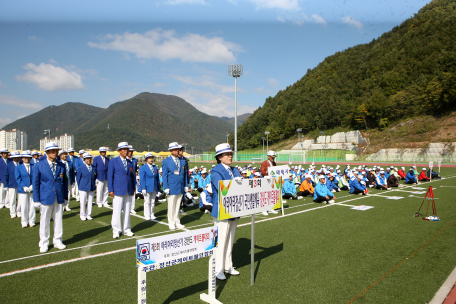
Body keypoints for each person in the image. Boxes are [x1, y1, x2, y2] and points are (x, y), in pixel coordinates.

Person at [210, 143, 242, 281]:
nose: (230, 156)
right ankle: (218, 269)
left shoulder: (235, 170)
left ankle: (228, 266)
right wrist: (234, 183)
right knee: (221, 240)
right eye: (227, 154)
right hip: (222, 210)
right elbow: (220, 187)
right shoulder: (215, 171)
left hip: (234, 208)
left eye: (231, 153)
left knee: (230, 239)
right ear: (219, 157)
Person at [32, 142, 68, 253]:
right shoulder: (39, 165)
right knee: (44, 221)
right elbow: (35, 183)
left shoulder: (61, 165)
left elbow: (65, 181)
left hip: (59, 196)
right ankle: (44, 242)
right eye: (52, 151)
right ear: (47, 152)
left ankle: (57, 240)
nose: (54, 153)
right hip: (45, 196)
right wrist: (36, 199)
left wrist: (65, 196)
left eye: (56, 151)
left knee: (58, 220)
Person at [107, 142, 136, 238]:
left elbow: (132, 177)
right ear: (119, 150)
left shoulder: (130, 162)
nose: (126, 151)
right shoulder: (113, 161)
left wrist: (133, 188)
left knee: (127, 210)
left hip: (128, 189)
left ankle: (126, 229)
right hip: (118, 189)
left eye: (127, 149)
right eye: (123, 149)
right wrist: (110, 190)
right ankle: (116, 230)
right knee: (117, 210)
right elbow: (110, 176)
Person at [162, 142, 188, 231]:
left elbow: (184, 174)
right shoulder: (166, 161)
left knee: (177, 206)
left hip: (180, 186)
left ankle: (177, 221)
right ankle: (171, 222)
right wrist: (166, 187)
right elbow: (164, 176)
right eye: (176, 149)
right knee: (171, 206)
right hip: (171, 186)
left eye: (178, 149)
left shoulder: (182, 161)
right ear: (171, 151)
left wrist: (186, 185)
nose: (177, 151)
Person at [15, 150, 36, 228]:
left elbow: (36, 177)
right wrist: (24, 187)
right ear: (22, 158)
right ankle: (24, 221)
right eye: (25, 157)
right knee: (24, 206)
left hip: (32, 189)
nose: (26, 158)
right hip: (23, 190)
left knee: (32, 205)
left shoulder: (34, 166)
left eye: (28, 157)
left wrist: (32, 186)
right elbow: (18, 178)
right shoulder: (18, 167)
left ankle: (32, 221)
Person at [140, 153, 160, 221]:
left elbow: (157, 178)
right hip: (147, 187)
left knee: (153, 201)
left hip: (154, 186)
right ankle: (147, 215)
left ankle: (152, 214)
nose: (151, 159)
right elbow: (142, 178)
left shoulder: (155, 167)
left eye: (152, 158)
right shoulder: (143, 167)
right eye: (149, 158)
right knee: (147, 202)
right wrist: (143, 188)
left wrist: (158, 188)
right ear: (146, 159)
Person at [77, 153, 97, 221]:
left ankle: (88, 214)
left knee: (90, 201)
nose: (88, 160)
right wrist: (80, 186)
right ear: (84, 160)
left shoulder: (94, 167)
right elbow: (78, 178)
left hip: (91, 187)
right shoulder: (81, 168)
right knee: (83, 202)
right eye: (87, 158)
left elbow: (95, 176)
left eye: (90, 158)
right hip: (83, 187)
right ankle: (82, 215)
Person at [5, 150, 21, 218]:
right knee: (12, 200)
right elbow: (5, 175)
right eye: (15, 157)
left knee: (20, 200)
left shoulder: (21, 164)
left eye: (17, 157)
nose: (16, 158)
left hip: (20, 185)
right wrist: (5, 185)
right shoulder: (8, 165)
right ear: (12, 158)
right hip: (11, 184)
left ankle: (19, 212)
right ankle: (12, 212)